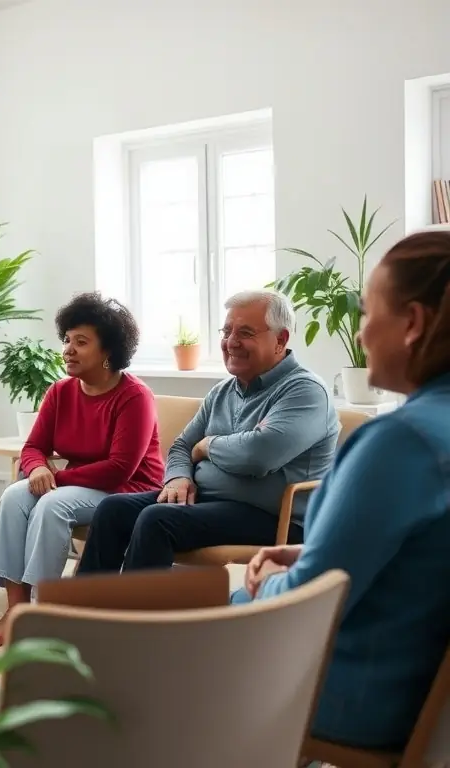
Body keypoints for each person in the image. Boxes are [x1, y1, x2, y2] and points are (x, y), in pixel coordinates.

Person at [235, 232, 450, 751]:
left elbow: (307, 608)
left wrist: (264, 587)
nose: (359, 335)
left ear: (414, 324)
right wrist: (315, 553)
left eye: (368, 313)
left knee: (158, 659)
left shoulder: (401, 441)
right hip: (418, 681)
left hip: (362, 696)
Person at [77, 289, 339, 574]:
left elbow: (256, 456)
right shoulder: (224, 391)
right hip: (209, 503)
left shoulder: (305, 391)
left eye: (245, 333)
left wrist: (207, 446)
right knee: (112, 510)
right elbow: (181, 447)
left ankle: (136, 617)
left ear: (281, 339)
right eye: (226, 331)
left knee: (157, 519)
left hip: (276, 518)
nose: (231, 342)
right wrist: (178, 478)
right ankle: (88, 612)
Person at [0, 293, 163, 648]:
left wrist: (55, 478)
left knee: (52, 504)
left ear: (108, 351)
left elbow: (119, 469)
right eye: (67, 340)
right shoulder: (60, 391)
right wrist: (35, 469)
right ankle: (16, 609)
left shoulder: (135, 396)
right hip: (81, 483)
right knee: (14, 496)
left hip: (129, 490)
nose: (68, 349)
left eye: (81, 342)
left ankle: (45, 612)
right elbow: (33, 447)